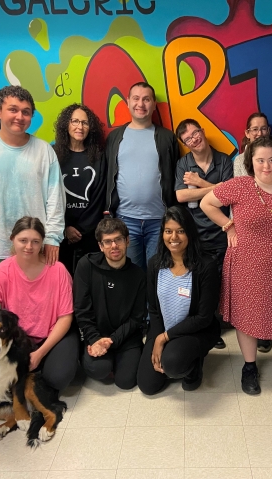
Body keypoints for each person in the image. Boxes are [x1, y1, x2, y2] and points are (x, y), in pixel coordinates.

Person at [201, 136, 272, 398]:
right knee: (247, 320)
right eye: (260, 160)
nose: (266, 166)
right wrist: (229, 225)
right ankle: (249, 367)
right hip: (246, 265)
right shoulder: (239, 186)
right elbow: (207, 203)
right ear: (251, 162)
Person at [0, 217, 78, 392]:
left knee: (58, 379)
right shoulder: (1, 271)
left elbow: (65, 317)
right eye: (23, 240)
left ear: (42, 243)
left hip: (54, 334)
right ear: (12, 239)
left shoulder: (58, 270)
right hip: (20, 337)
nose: (29, 247)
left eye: (35, 241)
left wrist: (39, 353)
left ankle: (44, 365)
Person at [0, 86, 65, 270]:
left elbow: (55, 199)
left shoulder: (44, 150)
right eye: (13, 110)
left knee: (38, 297)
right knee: (1, 297)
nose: (20, 117)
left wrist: (52, 238)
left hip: (37, 245)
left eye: (26, 112)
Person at [137, 206, 221, 394]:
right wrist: (157, 337)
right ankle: (174, 355)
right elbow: (154, 310)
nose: (173, 237)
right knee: (148, 385)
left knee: (173, 363)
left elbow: (203, 318)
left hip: (197, 331)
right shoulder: (155, 264)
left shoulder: (205, 266)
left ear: (190, 233)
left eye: (180, 231)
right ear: (162, 234)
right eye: (168, 231)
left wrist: (163, 339)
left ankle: (194, 364)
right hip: (164, 329)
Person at [104, 82, 180, 272]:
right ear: (128, 102)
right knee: (131, 277)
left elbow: (175, 175)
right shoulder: (115, 138)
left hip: (159, 221)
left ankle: (153, 304)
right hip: (125, 220)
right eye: (136, 99)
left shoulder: (166, 138)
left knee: (157, 275)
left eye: (146, 99)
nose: (141, 104)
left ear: (154, 104)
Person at [174, 118, 233, 350]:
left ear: (203, 131)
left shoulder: (224, 159)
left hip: (223, 232)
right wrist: (215, 188)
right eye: (187, 138)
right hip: (196, 236)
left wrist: (199, 183)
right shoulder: (183, 163)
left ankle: (217, 325)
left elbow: (231, 194)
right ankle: (207, 328)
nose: (193, 139)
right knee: (199, 285)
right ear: (184, 143)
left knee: (220, 282)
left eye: (195, 133)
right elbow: (180, 197)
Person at [74, 218, 146, 390]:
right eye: (108, 242)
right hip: (97, 334)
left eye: (118, 239)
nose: (114, 246)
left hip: (126, 337)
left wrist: (111, 341)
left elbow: (137, 318)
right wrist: (95, 339)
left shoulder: (138, 275)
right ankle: (106, 359)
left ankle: (118, 358)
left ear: (127, 241)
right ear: (100, 246)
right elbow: (82, 310)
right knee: (99, 370)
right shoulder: (86, 266)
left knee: (126, 381)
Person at [232, 112, 272, 354]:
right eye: (254, 129)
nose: (259, 133)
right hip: (248, 227)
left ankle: (267, 330)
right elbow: (240, 195)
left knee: (269, 284)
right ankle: (253, 329)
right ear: (247, 134)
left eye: (264, 128)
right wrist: (232, 227)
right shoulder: (240, 161)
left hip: (271, 225)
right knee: (251, 285)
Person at [53, 103, 106, 274]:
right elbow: (49, 195)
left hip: (90, 235)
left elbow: (99, 197)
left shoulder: (98, 157)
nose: (80, 127)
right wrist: (66, 227)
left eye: (85, 122)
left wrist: (82, 229)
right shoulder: (53, 156)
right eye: (75, 121)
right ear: (65, 125)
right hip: (60, 234)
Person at [233, 112, 270, 178]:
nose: (260, 134)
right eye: (255, 129)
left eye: (263, 129)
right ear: (247, 133)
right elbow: (238, 186)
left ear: (268, 131)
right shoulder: (239, 160)